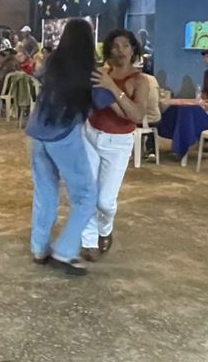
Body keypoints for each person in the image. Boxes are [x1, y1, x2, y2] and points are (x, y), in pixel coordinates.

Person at [26, 18, 104, 277]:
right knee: (86, 196)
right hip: (64, 135)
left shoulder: (51, 63)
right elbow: (103, 101)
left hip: (37, 132)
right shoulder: (90, 71)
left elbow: (38, 75)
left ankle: (39, 248)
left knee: (46, 193)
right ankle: (65, 249)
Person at [82, 29, 152, 261]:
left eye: (125, 45)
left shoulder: (140, 80)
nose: (120, 50)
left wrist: (111, 87)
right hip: (90, 134)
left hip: (118, 142)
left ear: (133, 49)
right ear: (108, 50)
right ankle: (89, 241)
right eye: (115, 46)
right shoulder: (101, 73)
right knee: (87, 192)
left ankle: (105, 229)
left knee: (105, 200)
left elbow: (136, 116)